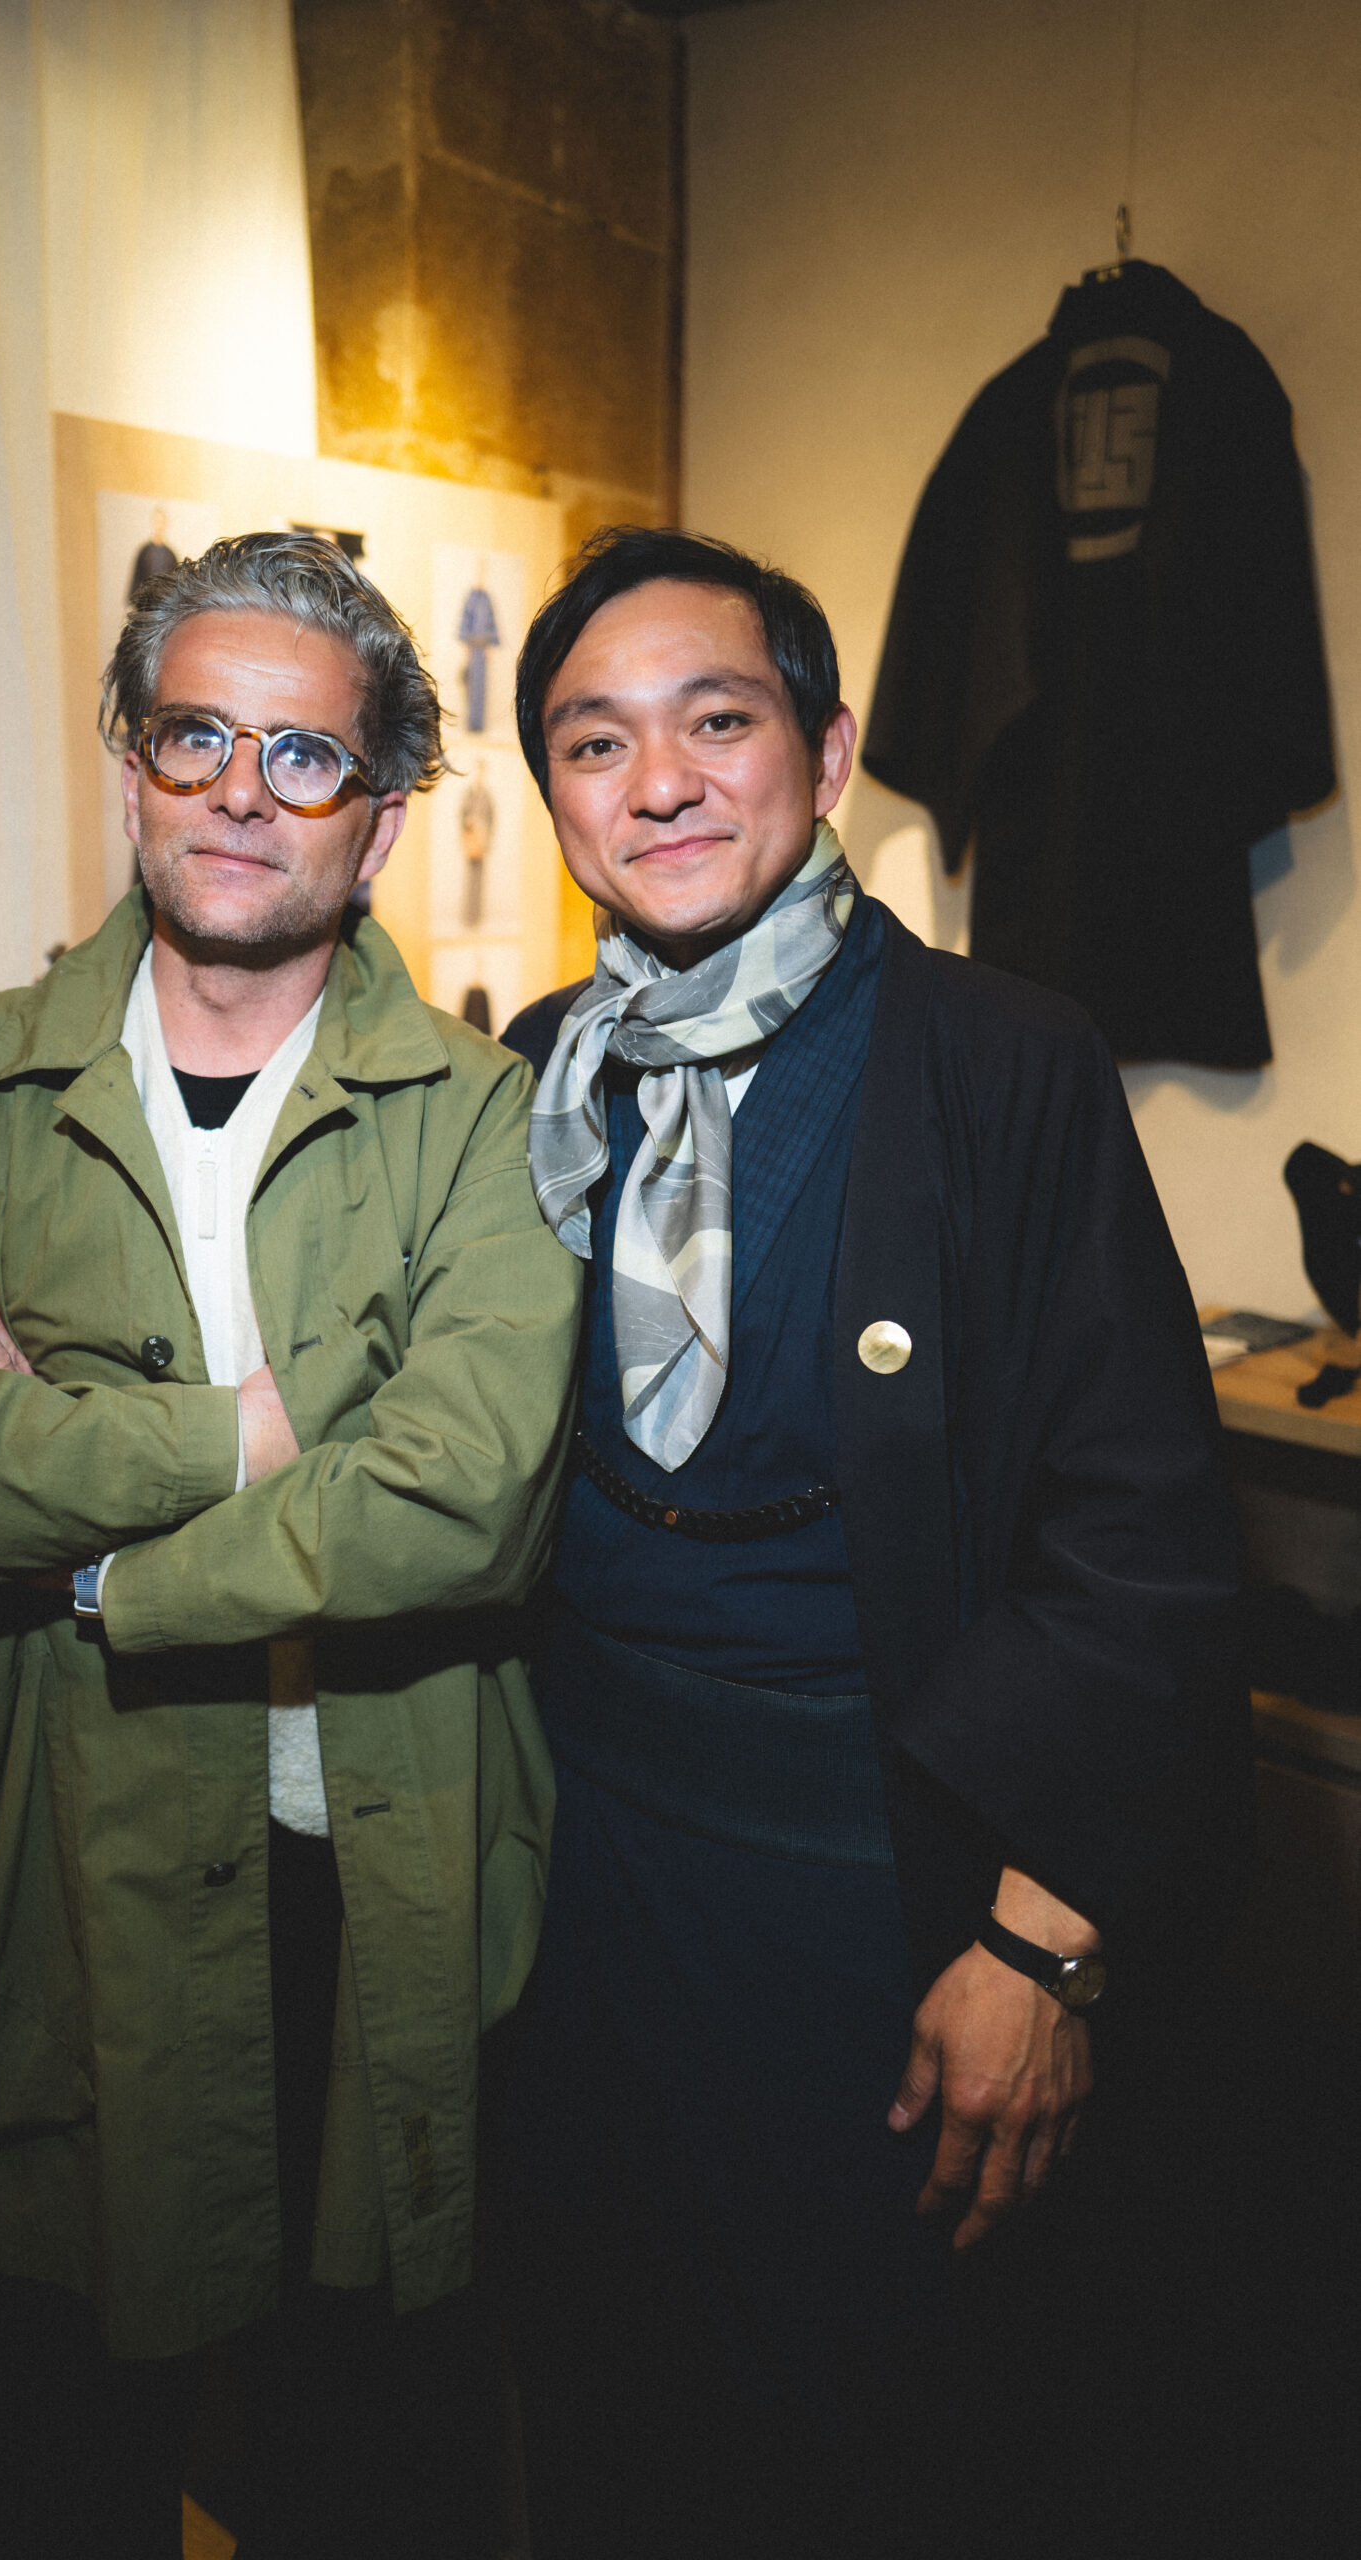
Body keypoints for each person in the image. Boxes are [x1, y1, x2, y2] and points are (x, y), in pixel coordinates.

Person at [0, 533, 582, 2560]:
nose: (238, 790)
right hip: (57, 1875)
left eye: (303, 756)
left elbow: (465, 1491)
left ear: (381, 819)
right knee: (67, 2465)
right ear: (127, 759)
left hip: (369, 1882)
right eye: (194, 734)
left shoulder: (481, 1117)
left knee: (374, 2469)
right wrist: (249, 1428)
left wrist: (64, 1533)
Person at [496, 526, 1252, 2558]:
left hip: (876, 1887)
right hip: (585, 1881)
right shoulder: (532, 1079)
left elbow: (1141, 1538)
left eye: (714, 720)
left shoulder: (1000, 1060)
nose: (657, 782)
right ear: (552, 795)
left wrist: (1040, 1939)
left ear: (826, 753)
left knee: (870, 2433)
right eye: (592, 742)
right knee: (612, 2403)